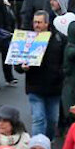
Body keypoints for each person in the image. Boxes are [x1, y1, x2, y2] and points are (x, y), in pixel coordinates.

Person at [18, 11, 67, 139]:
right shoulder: (27, 39)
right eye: (35, 22)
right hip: (35, 87)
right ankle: (37, 148)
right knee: (38, 118)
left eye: (39, 22)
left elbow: (66, 62)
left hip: (54, 88)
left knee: (52, 120)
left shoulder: (59, 39)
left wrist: (60, 74)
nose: (36, 25)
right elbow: (17, 63)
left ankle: (47, 145)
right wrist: (22, 67)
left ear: (47, 23)